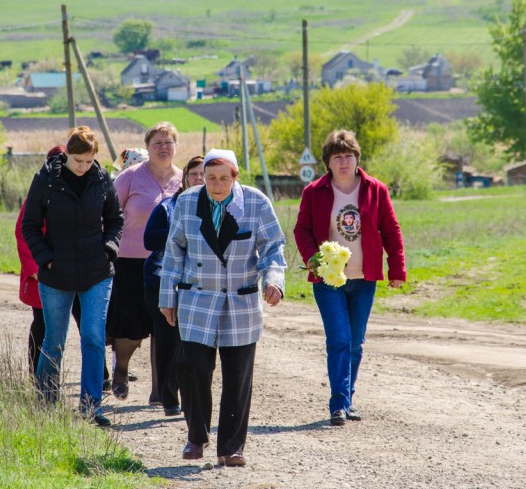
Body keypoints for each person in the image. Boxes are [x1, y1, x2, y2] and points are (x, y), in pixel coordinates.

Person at [159, 149, 286, 467]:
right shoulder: (188, 202)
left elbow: (272, 246)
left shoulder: (255, 202)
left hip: (239, 300)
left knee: (238, 375)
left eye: (223, 178)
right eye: (210, 177)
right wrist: (166, 297)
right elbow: (173, 250)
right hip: (197, 298)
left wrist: (274, 279)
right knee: (192, 368)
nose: (216, 184)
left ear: (235, 177)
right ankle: (195, 437)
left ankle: (231, 447)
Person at [293, 129, 406, 427]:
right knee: (339, 339)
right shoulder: (314, 192)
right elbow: (301, 230)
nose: (343, 162)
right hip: (329, 281)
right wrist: (311, 260)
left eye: (348, 156)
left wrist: (397, 269)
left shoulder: (376, 190)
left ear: (357, 159)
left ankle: (348, 398)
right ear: (327, 163)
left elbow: (391, 230)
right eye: (337, 157)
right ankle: (338, 404)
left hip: (364, 278)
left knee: (356, 341)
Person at [21, 126, 123, 427]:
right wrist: (45, 261)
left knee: (92, 336)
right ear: (66, 154)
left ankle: (91, 407)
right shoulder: (45, 180)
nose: (83, 167)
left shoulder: (102, 179)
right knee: (54, 339)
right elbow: (29, 226)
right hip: (56, 273)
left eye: (89, 162)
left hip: (97, 271)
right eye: (78, 161)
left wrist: (109, 249)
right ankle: (46, 401)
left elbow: (115, 219)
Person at [108, 122, 183, 403]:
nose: (164, 147)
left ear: (176, 147)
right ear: (147, 148)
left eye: (168, 142)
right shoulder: (129, 177)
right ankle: (122, 368)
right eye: (157, 143)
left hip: (171, 264)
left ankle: (160, 388)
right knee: (131, 325)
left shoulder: (183, 179)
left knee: (165, 326)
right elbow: (110, 215)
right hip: (130, 262)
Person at [142, 155, 205, 417]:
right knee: (168, 339)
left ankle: (188, 391)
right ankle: (169, 397)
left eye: (205, 174)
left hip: (199, 283)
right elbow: (149, 239)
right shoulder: (168, 207)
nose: (199, 179)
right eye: (194, 174)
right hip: (161, 279)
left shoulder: (219, 208)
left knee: (190, 342)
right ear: (185, 178)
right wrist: (180, 235)